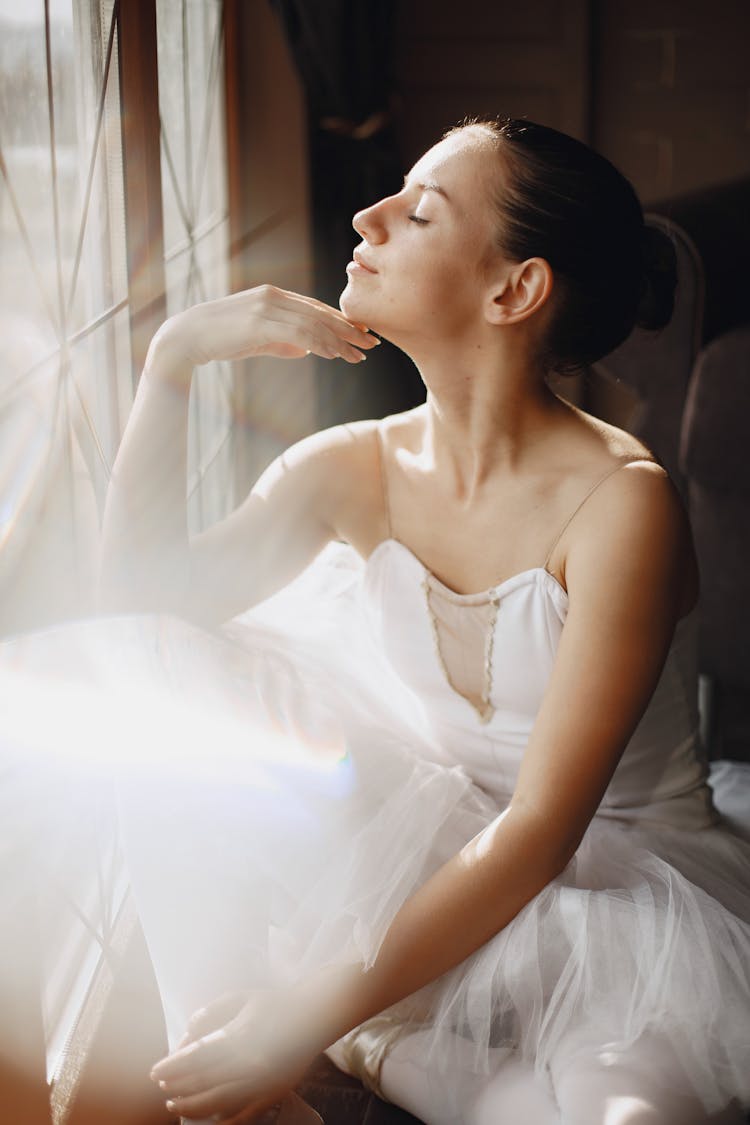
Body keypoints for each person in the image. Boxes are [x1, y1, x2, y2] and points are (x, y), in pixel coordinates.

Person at [97, 118, 750, 1125]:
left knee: (625, 1117)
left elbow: (541, 833)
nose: (367, 216)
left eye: (419, 209)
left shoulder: (626, 503)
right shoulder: (350, 466)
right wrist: (173, 363)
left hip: (621, 891)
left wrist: (310, 1012)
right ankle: (255, 1096)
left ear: (513, 290)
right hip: (432, 843)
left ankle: (373, 1045)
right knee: (154, 662)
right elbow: (139, 612)